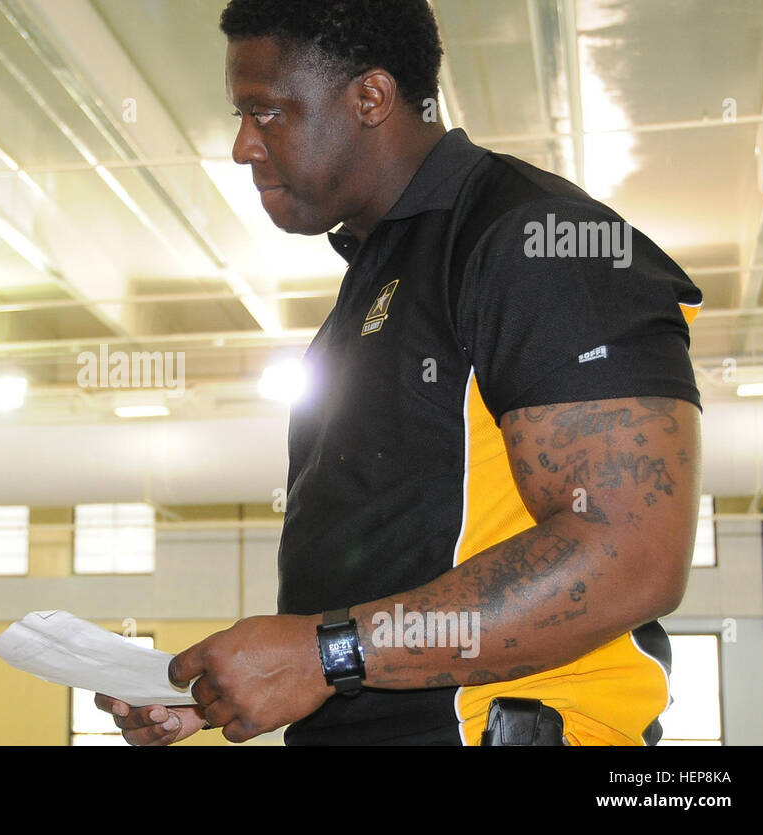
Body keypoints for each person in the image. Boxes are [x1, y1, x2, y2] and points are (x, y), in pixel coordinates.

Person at [97, 0, 702, 746]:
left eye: (265, 113)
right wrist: (244, 682)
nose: (242, 147)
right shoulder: (374, 286)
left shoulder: (537, 241)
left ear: (371, 98)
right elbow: (371, 590)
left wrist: (326, 654)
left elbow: (631, 555)